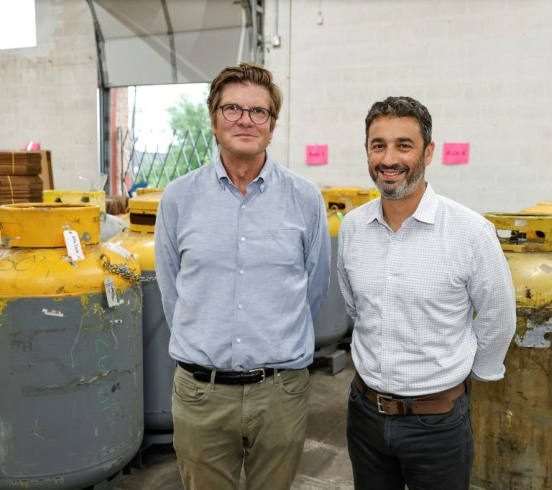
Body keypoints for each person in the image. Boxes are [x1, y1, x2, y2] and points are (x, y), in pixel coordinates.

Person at [154, 62, 331, 490]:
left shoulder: (305, 199)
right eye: (232, 109)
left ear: (272, 126)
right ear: (214, 121)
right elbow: (172, 289)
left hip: (280, 393)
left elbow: (315, 285)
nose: (245, 120)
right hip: (202, 395)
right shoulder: (178, 199)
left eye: (259, 112)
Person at [337, 96, 516, 490]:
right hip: (364, 416)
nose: (389, 158)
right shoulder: (352, 228)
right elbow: (356, 307)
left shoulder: (469, 232)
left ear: (428, 152)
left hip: (437, 423)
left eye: (404, 145)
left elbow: (498, 320)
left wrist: (456, 379)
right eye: (378, 145)